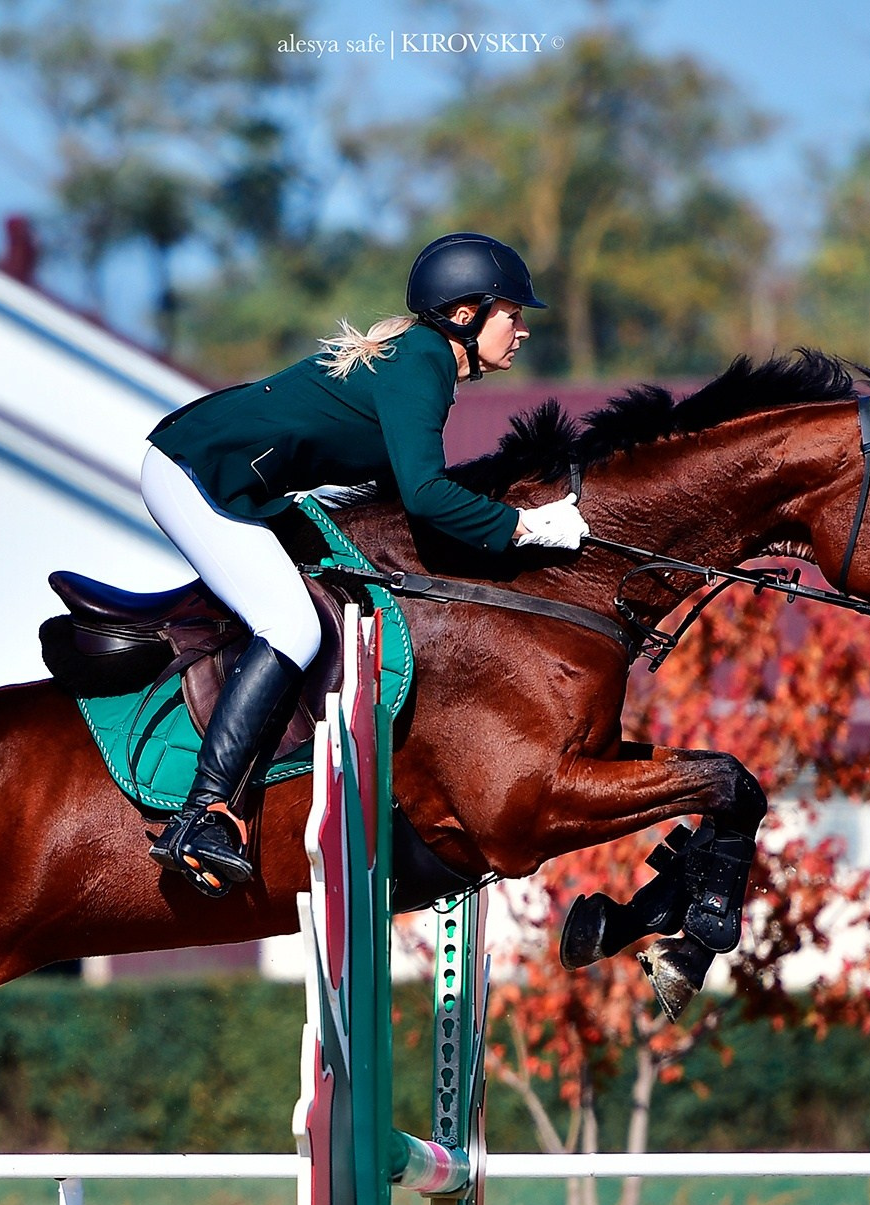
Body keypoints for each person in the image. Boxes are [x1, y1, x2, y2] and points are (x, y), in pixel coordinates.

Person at [134, 232, 589, 896]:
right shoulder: (421, 364)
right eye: (512, 314)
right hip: (195, 474)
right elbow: (426, 496)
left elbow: (400, 499)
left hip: (219, 471)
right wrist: (525, 526)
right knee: (292, 627)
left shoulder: (423, 361)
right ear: (466, 314)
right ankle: (201, 814)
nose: (521, 330)